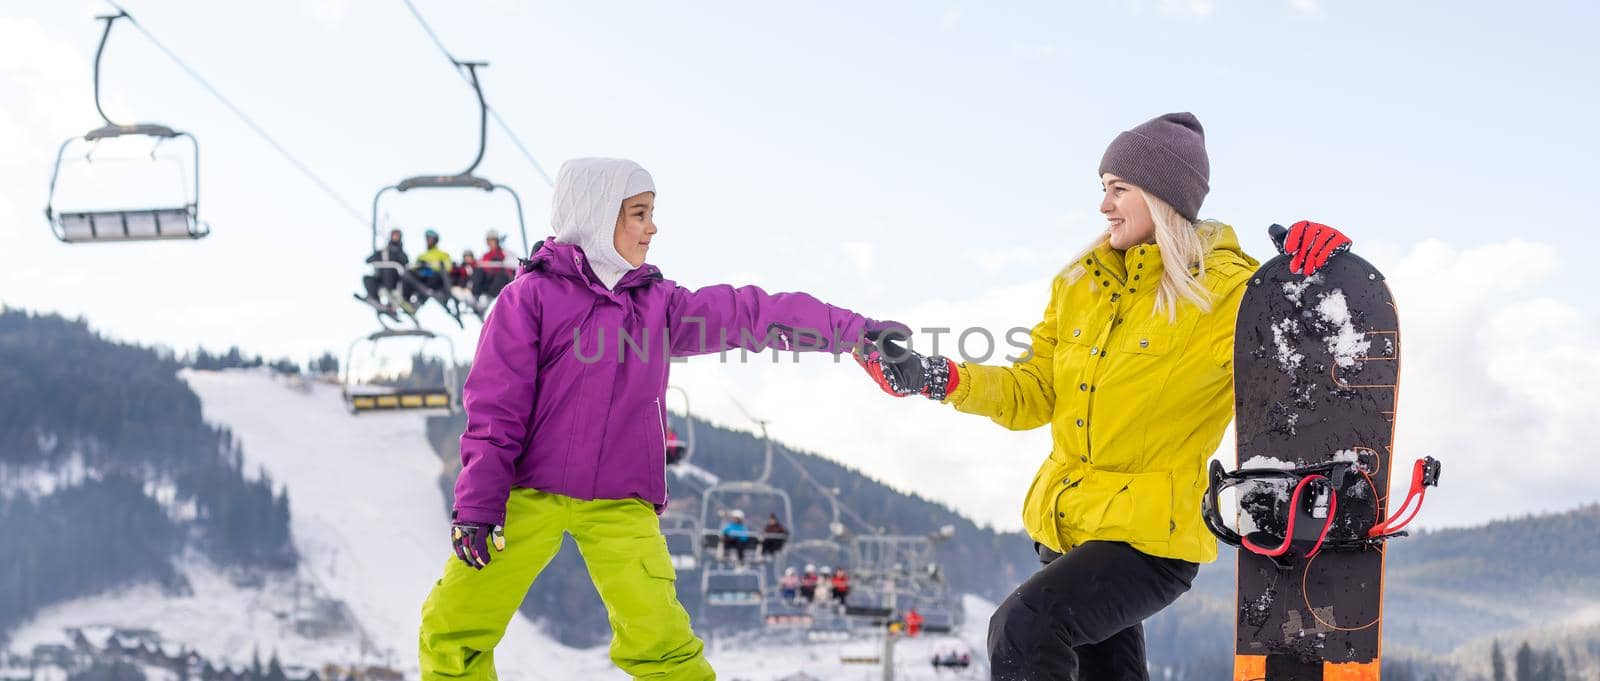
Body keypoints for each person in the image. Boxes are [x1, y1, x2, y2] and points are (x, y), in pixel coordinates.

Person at [855, 113, 1352, 680]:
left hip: (1148, 544)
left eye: (1119, 189)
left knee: (1023, 627)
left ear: (1163, 197)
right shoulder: (1079, 285)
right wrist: (936, 376)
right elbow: (1033, 392)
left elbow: (1302, 349)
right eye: (1103, 189)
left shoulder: (1226, 293)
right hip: (1067, 533)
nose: (1104, 205)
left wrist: (1315, 279)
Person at [419, 157, 902, 681]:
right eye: (638, 213)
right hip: (525, 495)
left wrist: (856, 332)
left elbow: (753, 314)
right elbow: (495, 408)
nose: (652, 227)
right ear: (597, 214)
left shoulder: (658, 306)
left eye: (651, 213)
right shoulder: (529, 299)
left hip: (619, 503)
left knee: (664, 646)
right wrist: (477, 506)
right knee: (455, 631)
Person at [362, 228, 408, 310]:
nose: (395, 237)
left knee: (389, 270)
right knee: (367, 279)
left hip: (394, 281)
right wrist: (376, 257)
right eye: (393, 235)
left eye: (397, 235)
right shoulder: (383, 252)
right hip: (381, 279)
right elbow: (368, 260)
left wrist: (397, 253)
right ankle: (374, 299)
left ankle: (391, 303)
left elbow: (406, 263)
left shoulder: (401, 253)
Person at [405, 228, 454, 305]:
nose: (428, 240)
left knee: (438, 274)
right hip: (423, 276)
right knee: (408, 274)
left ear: (435, 240)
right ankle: (407, 300)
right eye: (427, 238)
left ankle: (425, 291)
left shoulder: (443, 254)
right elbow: (414, 266)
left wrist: (430, 264)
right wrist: (420, 265)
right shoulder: (422, 256)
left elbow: (448, 267)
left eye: (431, 239)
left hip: (434, 277)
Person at [477, 230, 515, 300]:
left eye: (493, 241)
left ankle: (493, 297)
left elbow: (513, 264)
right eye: (489, 241)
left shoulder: (506, 253)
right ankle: (477, 296)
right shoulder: (485, 256)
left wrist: (500, 262)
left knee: (501, 274)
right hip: (489, 281)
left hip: (503, 281)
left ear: (497, 241)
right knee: (479, 273)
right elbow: (480, 265)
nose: (491, 243)